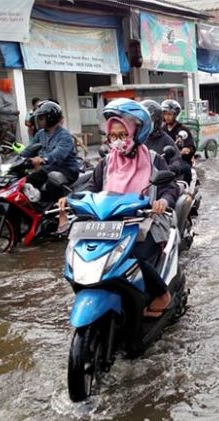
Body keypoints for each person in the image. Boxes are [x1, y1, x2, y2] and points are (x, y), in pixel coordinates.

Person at [58, 98, 178, 317]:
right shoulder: (106, 163)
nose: (117, 141)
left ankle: (161, 294)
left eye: (122, 135)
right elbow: (92, 188)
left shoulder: (153, 160)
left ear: (136, 132)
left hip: (144, 221)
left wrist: (163, 202)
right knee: (81, 253)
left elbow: (169, 189)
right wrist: (70, 199)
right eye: (113, 136)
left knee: (135, 255)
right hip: (107, 224)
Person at [20, 101, 82, 204]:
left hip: (66, 170)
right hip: (48, 168)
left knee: (52, 182)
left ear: (50, 118)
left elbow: (58, 154)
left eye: (41, 118)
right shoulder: (40, 134)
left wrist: (44, 159)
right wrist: (18, 158)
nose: (38, 121)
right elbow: (29, 149)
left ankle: (54, 209)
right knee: (25, 181)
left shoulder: (64, 135)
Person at [141, 99, 192, 183]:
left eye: (149, 121)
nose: (167, 117)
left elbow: (176, 158)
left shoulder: (166, 137)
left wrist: (169, 169)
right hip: (140, 179)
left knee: (185, 168)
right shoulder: (137, 139)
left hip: (159, 178)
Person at [161, 100, 196, 166]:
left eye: (169, 114)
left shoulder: (182, 129)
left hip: (180, 160)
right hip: (164, 159)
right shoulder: (161, 130)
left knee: (185, 169)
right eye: (165, 114)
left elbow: (190, 146)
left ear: (175, 115)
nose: (167, 117)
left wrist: (187, 150)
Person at [0, 78, 20, 160]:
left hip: (13, 119)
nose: (10, 85)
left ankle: (13, 158)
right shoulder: (0, 93)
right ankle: (6, 158)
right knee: (5, 140)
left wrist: (15, 112)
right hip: (4, 120)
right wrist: (12, 111)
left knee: (12, 139)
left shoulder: (11, 92)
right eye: (8, 84)